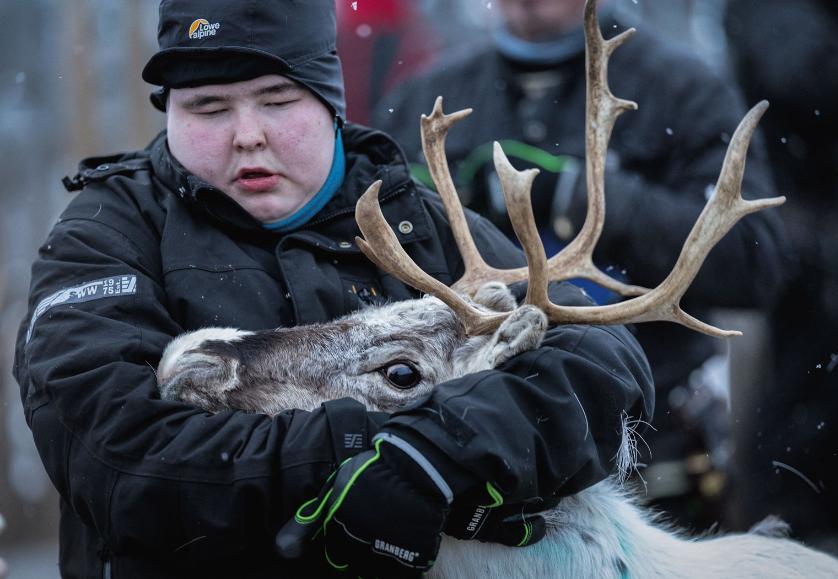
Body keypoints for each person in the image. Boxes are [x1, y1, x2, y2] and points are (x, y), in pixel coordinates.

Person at [13, 0, 653, 577]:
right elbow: (121, 462)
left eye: (277, 99)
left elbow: (607, 366)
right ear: (171, 112)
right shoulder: (104, 236)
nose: (247, 134)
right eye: (208, 107)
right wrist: (353, 454)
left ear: (328, 102)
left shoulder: (421, 222)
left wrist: (437, 454)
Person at [374, 0, 786, 529]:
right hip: (475, 460)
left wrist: (589, 198)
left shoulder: (680, 89)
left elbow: (756, 260)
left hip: (651, 458)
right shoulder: (429, 101)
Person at [724, 0, 838, 553]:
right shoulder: (767, 11)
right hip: (790, 236)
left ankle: (835, 519)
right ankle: (789, 529)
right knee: (797, 396)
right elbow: (803, 80)